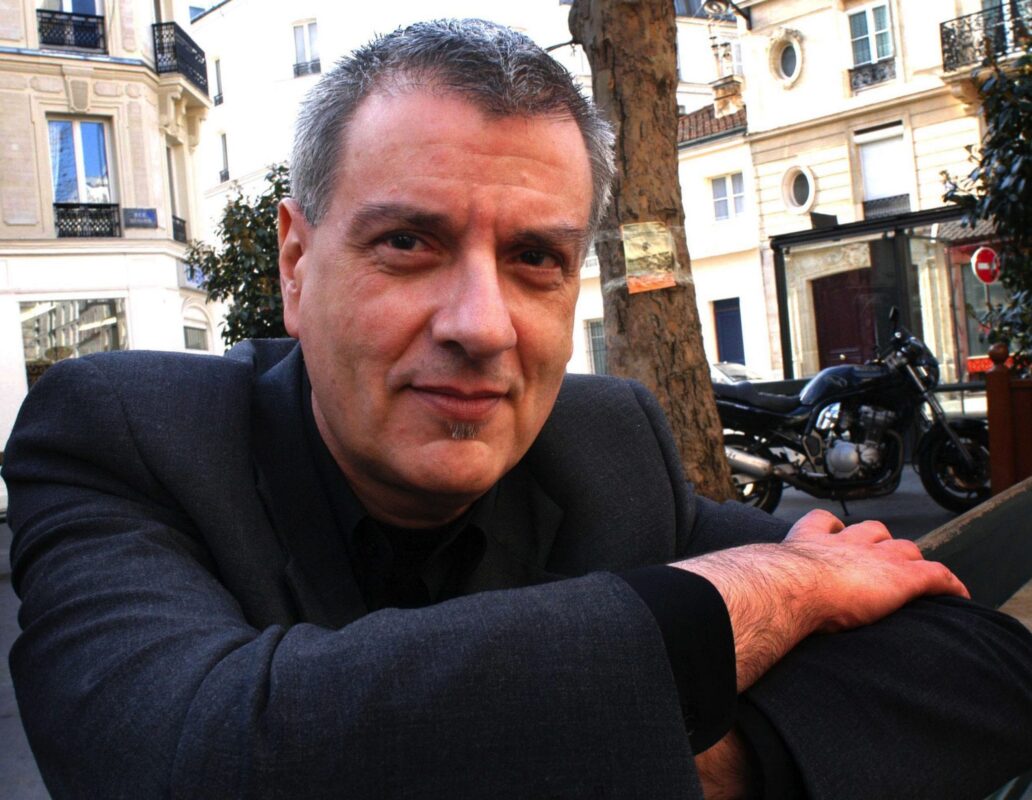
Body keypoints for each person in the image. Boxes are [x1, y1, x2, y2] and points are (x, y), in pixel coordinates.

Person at [4, 18, 1031, 799]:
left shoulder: (606, 444)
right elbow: (184, 753)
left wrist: (699, 757)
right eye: (409, 242)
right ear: (297, 263)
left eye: (536, 257)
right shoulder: (126, 436)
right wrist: (755, 591)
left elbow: (976, 666)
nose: (482, 324)